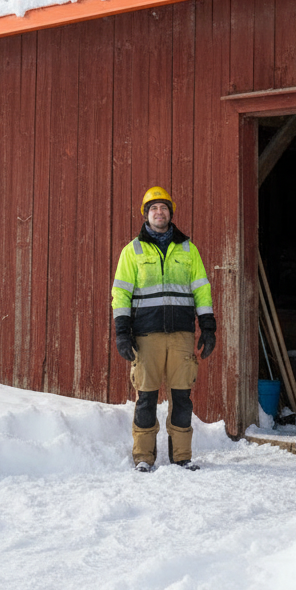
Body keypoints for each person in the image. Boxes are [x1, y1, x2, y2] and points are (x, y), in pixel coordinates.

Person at [111, 186, 216, 471]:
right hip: (146, 337)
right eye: (154, 208)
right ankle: (143, 457)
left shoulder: (188, 250)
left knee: (182, 397)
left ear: (171, 213)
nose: (159, 212)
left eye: (164, 208)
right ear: (146, 214)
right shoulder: (132, 251)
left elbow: (202, 291)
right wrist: (122, 332)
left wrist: (208, 327)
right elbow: (120, 294)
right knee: (145, 398)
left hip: (182, 336)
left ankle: (182, 456)